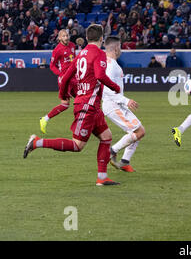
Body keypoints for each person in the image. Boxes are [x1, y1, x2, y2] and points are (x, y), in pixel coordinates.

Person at [24, 24, 122, 186]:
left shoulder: (81, 54)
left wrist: (62, 95)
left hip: (92, 105)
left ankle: (102, 177)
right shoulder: (98, 53)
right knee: (77, 145)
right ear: (101, 38)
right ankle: (36, 142)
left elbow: (67, 75)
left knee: (106, 137)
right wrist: (115, 87)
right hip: (87, 105)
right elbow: (99, 75)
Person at [102, 36, 145, 172]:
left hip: (117, 104)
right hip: (113, 105)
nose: (121, 50)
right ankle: (112, 151)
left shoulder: (107, 62)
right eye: (120, 47)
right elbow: (107, 89)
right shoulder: (111, 66)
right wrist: (126, 100)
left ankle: (125, 161)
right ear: (115, 48)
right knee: (139, 131)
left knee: (137, 131)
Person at [39, 29, 77, 134]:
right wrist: (61, 74)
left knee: (71, 103)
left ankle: (45, 119)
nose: (66, 37)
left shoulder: (73, 45)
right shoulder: (57, 50)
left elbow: (73, 59)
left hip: (74, 78)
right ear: (59, 38)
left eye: (67, 35)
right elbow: (52, 66)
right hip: (65, 79)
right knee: (75, 102)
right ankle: (80, 125)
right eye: (64, 36)